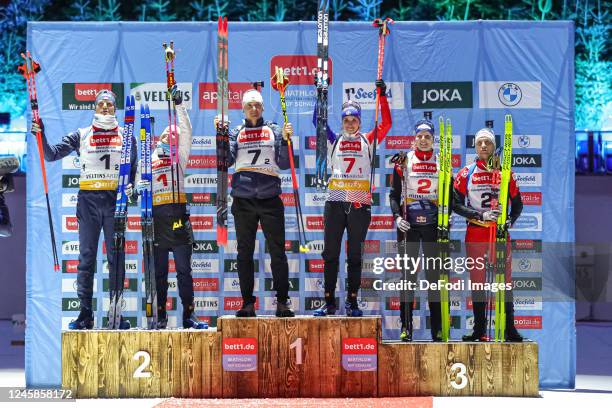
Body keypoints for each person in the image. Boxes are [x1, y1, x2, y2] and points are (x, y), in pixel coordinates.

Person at [32, 89, 137, 329]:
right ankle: (85, 313)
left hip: (115, 201)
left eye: (109, 105)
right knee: (87, 258)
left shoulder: (127, 134)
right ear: (95, 108)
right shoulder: (82, 134)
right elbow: (50, 155)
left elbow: (133, 168)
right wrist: (41, 132)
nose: (105, 108)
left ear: (115, 109)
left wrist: (131, 186)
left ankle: (116, 312)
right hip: (88, 201)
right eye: (101, 104)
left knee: (116, 257)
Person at [130, 86, 206, 329]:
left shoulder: (179, 157)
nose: (169, 138)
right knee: (159, 273)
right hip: (157, 221)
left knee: (184, 271)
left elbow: (186, 130)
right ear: (159, 138)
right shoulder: (147, 158)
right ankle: (160, 316)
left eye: (173, 138)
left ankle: (189, 315)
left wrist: (179, 105)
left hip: (178, 218)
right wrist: (138, 187)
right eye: (165, 135)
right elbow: (135, 189)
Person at [313, 80, 391, 317]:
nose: (350, 123)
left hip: (359, 205)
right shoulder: (334, 139)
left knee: (355, 256)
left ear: (360, 121)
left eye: (354, 119)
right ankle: (329, 302)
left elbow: (386, 123)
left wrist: (382, 96)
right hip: (335, 202)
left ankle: (352, 302)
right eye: (346, 120)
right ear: (342, 121)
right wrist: (321, 96)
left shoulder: (368, 140)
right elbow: (318, 121)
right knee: (330, 254)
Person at [215, 88, 295, 317]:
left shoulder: (274, 130)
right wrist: (220, 137)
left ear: (262, 107)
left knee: (278, 252)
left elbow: (285, 163)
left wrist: (287, 142)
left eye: (257, 105)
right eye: (249, 105)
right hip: (243, 200)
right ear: (243, 108)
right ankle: (247, 303)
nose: (253, 109)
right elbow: (226, 161)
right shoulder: (236, 132)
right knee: (244, 253)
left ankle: (282, 302)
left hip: (270, 198)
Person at [453, 127, 524, 342]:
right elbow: (455, 204)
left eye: (488, 142)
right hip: (476, 231)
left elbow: (518, 204)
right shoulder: (467, 172)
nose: (484, 146)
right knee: (478, 282)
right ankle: (479, 330)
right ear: (475, 146)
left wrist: (509, 220)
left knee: (505, 282)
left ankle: (509, 329)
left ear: (494, 146)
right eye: (479, 143)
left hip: (499, 234)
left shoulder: (505, 173)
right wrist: (480, 215)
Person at [389, 118, 448, 341]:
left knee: (434, 279)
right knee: (408, 279)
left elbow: (449, 195)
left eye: (428, 137)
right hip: (409, 227)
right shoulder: (404, 161)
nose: (423, 140)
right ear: (414, 139)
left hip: (433, 227)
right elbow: (394, 195)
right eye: (420, 136)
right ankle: (406, 328)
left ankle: (438, 330)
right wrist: (396, 217)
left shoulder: (442, 162)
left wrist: (446, 216)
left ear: (433, 139)